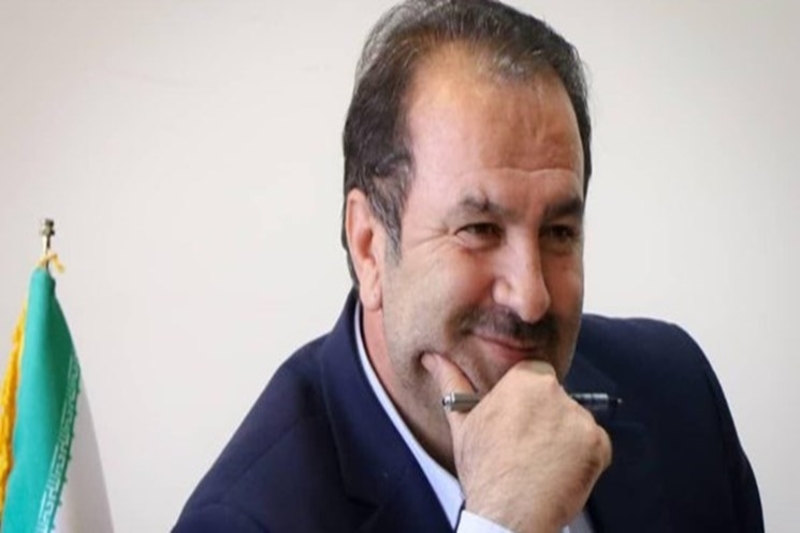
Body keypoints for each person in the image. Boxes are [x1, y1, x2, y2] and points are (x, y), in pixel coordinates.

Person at [173, 1, 763, 531]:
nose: (530, 297)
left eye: (558, 232)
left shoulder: (678, 392)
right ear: (369, 246)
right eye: (479, 230)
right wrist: (499, 524)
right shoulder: (244, 520)